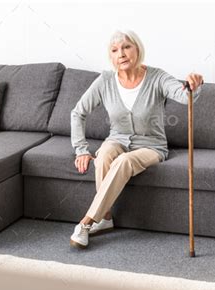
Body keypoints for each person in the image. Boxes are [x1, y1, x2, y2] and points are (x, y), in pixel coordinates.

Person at [69, 29, 204, 249]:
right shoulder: (105, 81)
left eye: (126, 47)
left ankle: (87, 221)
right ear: (111, 57)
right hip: (117, 140)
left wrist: (193, 86)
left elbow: (183, 95)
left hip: (152, 145)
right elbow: (78, 112)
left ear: (137, 49)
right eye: (115, 50)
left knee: (124, 161)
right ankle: (106, 218)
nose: (121, 53)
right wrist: (81, 149)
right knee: (103, 155)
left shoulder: (157, 77)